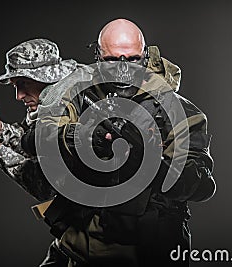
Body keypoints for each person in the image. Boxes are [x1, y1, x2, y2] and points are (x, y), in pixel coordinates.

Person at [35, 18, 216, 267]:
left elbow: (202, 185)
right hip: (77, 248)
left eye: (132, 60)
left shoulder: (177, 111)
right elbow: (40, 136)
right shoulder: (79, 95)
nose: (123, 69)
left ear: (145, 56)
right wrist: (83, 136)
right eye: (112, 60)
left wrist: (151, 163)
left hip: (147, 253)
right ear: (98, 57)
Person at [0, 38, 79, 264]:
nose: (18, 95)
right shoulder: (53, 101)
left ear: (45, 78)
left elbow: (45, 185)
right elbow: (32, 144)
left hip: (102, 237)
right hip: (78, 231)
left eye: (23, 84)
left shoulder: (70, 111)